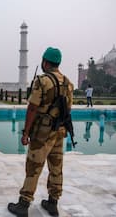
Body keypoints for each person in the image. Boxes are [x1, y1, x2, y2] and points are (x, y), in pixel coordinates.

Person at [8, 47, 74, 217]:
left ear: (45, 62)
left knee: (34, 167)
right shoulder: (68, 82)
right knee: (56, 167)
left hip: (42, 133)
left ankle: (23, 204)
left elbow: (32, 108)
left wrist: (25, 132)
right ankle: (53, 203)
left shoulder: (42, 81)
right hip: (60, 131)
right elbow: (68, 109)